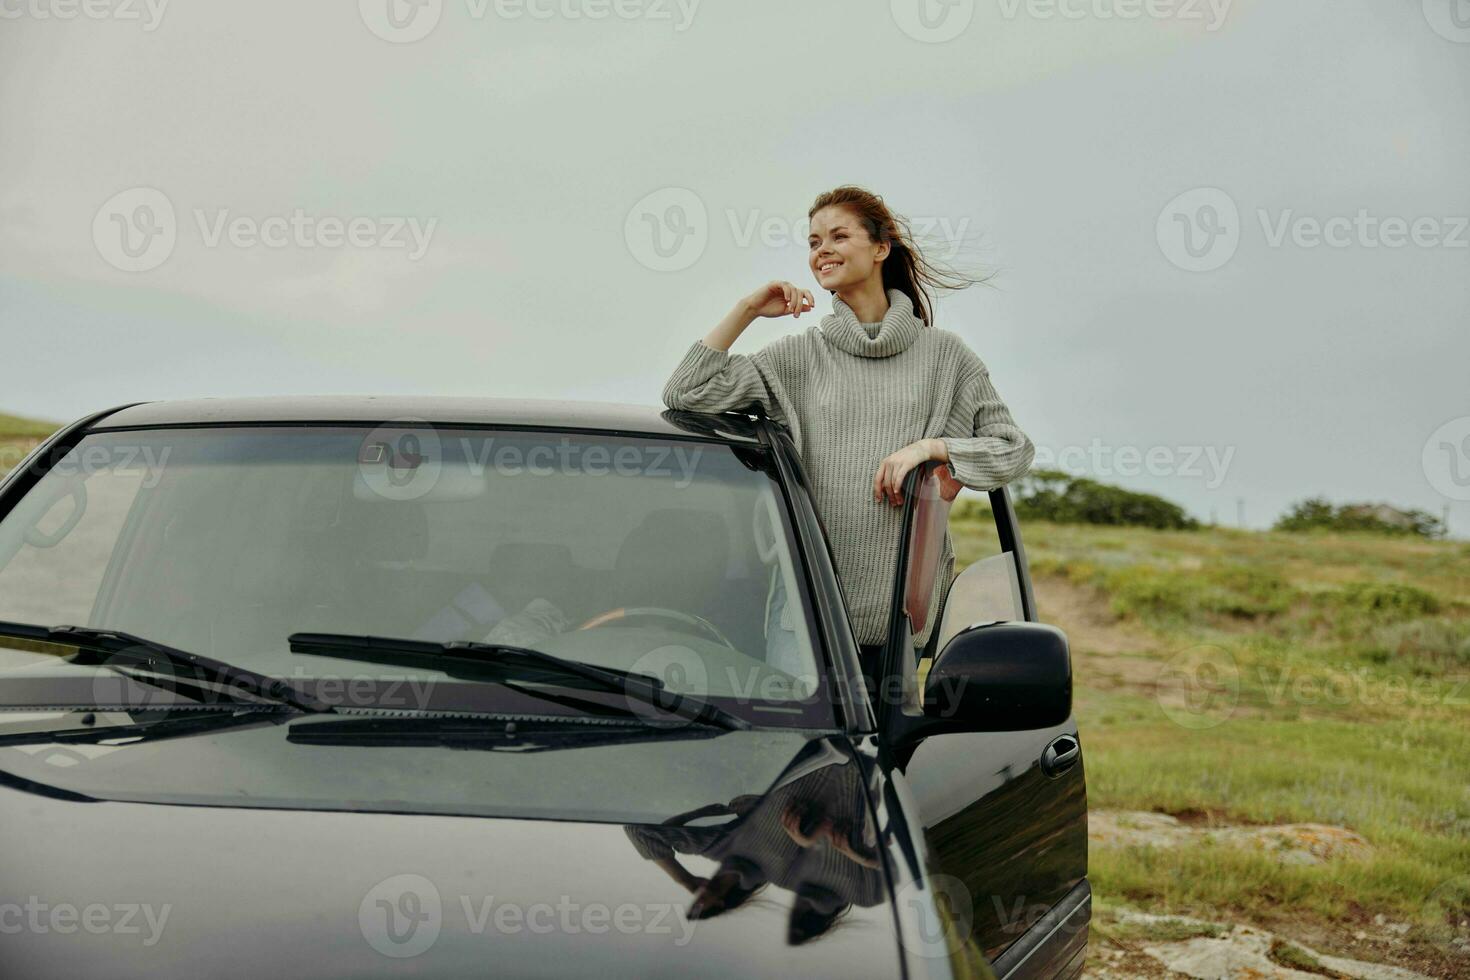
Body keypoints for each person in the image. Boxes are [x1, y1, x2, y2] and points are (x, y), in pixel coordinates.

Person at [660, 185, 1036, 692]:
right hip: (806, 616)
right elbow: (685, 392)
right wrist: (748, 309)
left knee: (884, 766)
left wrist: (931, 449)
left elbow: (1013, 448)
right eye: (813, 242)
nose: (822, 251)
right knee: (808, 762)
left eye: (838, 236)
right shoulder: (797, 358)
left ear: (881, 248)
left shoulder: (947, 358)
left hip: (907, 619)